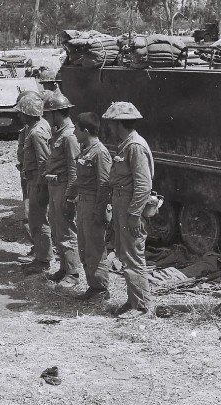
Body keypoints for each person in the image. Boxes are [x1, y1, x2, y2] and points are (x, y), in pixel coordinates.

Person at [102, 102, 154, 318]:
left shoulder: (135, 146)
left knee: (133, 257)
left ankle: (141, 307)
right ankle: (133, 300)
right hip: (123, 207)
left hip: (130, 210)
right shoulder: (126, 144)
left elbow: (144, 185)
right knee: (126, 256)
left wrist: (133, 214)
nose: (109, 128)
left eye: (111, 124)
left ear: (117, 123)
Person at [67, 112, 112, 301]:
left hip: (94, 204)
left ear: (85, 130)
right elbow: (80, 179)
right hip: (83, 203)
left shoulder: (100, 152)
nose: (74, 133)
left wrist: (99, 212)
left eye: (76, 129)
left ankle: (101, 289)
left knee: (95, 249)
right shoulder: (86, 150)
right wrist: (70, 196)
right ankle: (93, 286)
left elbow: (104, 185)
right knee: (84, 247)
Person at [43, 91, 81, 285]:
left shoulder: (69, 136)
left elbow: (74, 168)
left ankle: (73, 273)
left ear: (56, 113)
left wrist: (70, 197)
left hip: (64, 187)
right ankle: (64, 268)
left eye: (48, 114)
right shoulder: (59, 132)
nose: (46, 118)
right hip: (55, 187)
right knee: (58, 230)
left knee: (67, 231)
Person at [15, 93, 53, 273]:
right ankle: (40, 255)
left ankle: (43, 260)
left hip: (37, 181)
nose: (19, 115)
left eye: (21, 112)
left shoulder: (37, 132)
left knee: (38, 221)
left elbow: (44, 161)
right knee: (36, 220)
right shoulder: (37, 126)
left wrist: (40, 185)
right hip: (34, 179)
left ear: (27, 113)